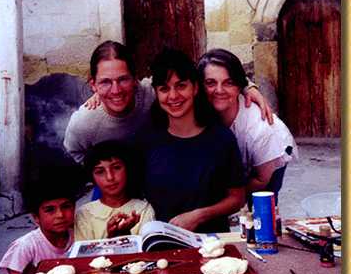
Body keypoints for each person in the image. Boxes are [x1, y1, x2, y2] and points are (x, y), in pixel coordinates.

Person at [63, 40, 273, 165]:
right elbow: (74, 151)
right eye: (105, 82)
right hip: (113, 181)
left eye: (123, 79)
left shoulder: (153, 92)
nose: (116, 90)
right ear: (93, 84)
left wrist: (247, 86)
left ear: (135, 79)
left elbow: (196, 78)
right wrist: (101, 170)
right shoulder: (84, 121)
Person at [137, 48, 246, 233]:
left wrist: (200, 215)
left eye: (181, 86)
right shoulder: (146, 141)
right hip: (159, 245)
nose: (173, 96)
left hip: (212, 245)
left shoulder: (221, 139)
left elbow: (237, 197)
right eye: (164, 89)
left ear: (195, 88)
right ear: (156, 93)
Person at [197, 48, 298, 206]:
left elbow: (261, 180)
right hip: (240, 150)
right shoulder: (201, 108)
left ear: (239, 86)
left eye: (228, 82)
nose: (219, 90)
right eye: (210, 83)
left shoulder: (263, 129)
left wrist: (224, 200)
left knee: (261, 207)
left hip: (271, 154)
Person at [0, 165, 79, 274]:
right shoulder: (25, 247)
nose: (60, 215)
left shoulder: (78, 236)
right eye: (50, 210)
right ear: (36, 218)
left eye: (66, 206)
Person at [74, 140, 155, 241]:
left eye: (116, 168)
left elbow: (147, 251)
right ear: (92, 178)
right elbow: (83, 255)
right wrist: (111, 239)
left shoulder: (143, 209)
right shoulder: (84, 214)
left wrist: (125, 234)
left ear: (128, 169)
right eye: (100, 172)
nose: (110, 177)